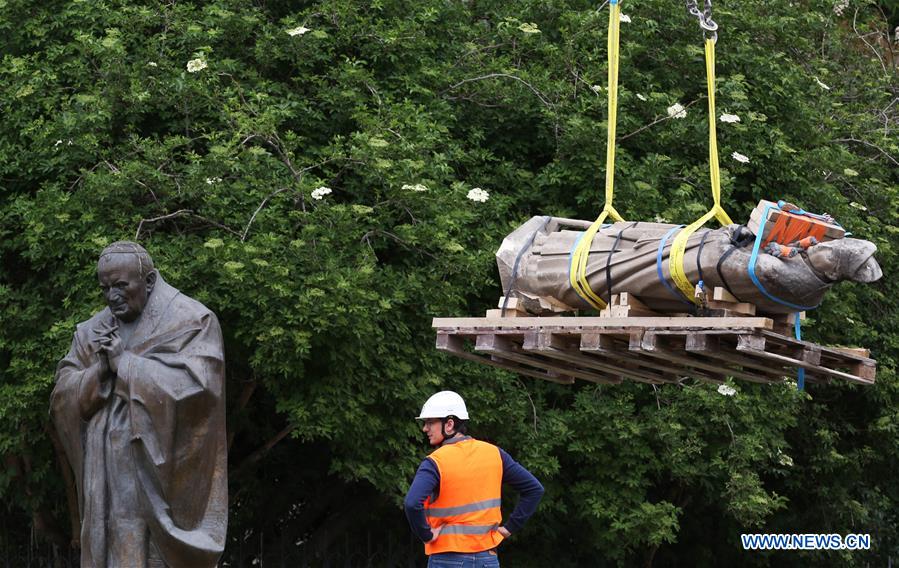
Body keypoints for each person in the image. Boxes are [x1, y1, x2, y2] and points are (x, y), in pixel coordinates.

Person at [50, 241, 227, 567]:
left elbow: (201, 387)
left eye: (121, 286)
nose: (112, 296)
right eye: (105, 288)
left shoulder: (190, 321)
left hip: (157, 477)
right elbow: (63, 394)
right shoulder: (92, 331)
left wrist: (126, 365)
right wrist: (100, 370)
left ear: (148, 281)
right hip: (104, 474)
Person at [404, 391, 544, 567]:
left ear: (449, 424)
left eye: (430, 422)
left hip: (448, 558)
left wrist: (426, 535)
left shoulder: (435, 461)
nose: (425, 428)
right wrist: (509, 528)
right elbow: (535, 489)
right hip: (487, 558)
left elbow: (411, 503)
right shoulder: (494, 454)